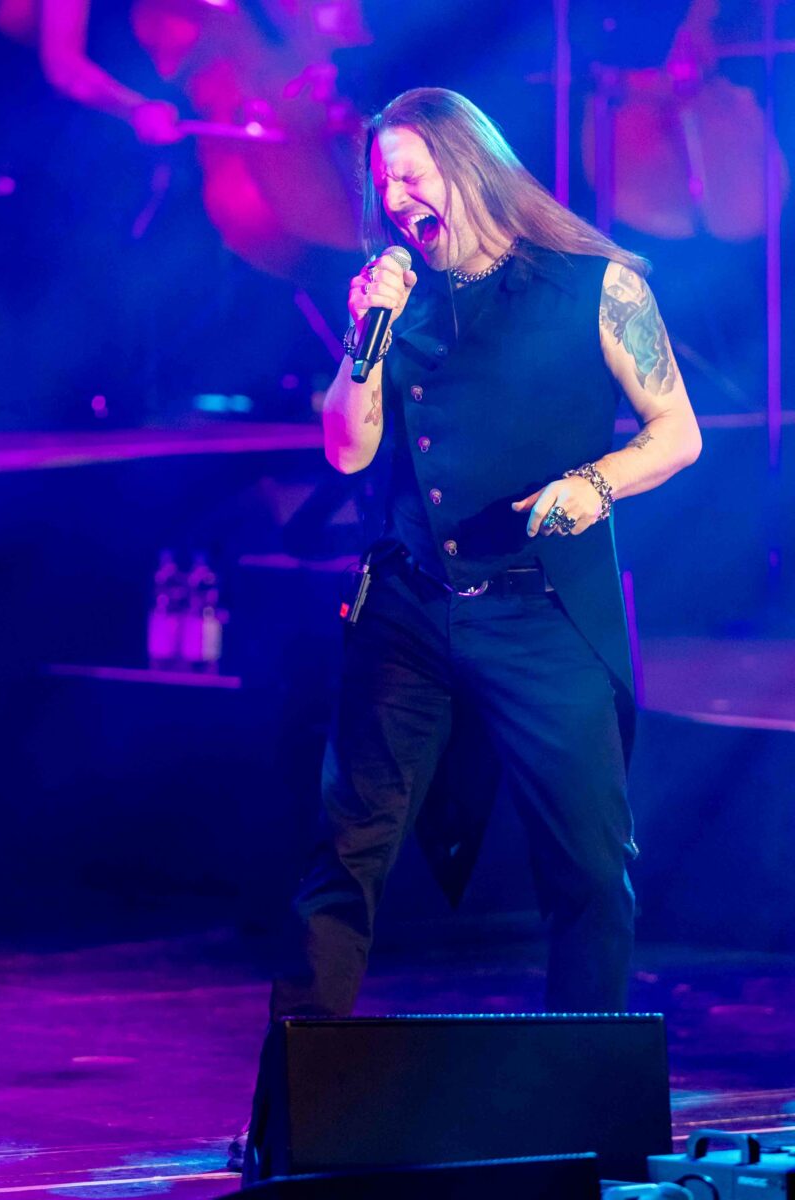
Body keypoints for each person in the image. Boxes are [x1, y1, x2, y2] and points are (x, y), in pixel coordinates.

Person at [240, 86, 701, 1181]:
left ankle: (587, 1123)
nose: (396, 197)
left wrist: (595, 483)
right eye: (382, 181)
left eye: (413, 172)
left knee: (588, 869)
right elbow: (347, 450)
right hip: (407, 610)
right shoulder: (392, 303)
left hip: (540, 611)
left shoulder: (594, 285)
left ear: (470, 164)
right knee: (341, 858)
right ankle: (287, 1127)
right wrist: (364, 338)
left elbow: (675, 431)